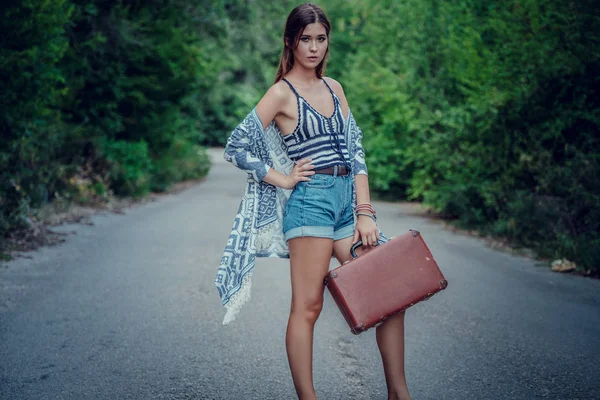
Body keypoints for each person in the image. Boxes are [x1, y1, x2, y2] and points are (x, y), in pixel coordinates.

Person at [216, 3, 411, 400]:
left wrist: (365, 211)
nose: (314, 47)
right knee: (308, 308)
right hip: (310, 205)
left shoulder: (334, 87)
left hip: (345, 204)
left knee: (391, 293)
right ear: (290, 42)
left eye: (320, 39)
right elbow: (236, 146)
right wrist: (283, 178)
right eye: (305, 39)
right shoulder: (280, 94)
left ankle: (399, 393)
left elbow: (355, 150)